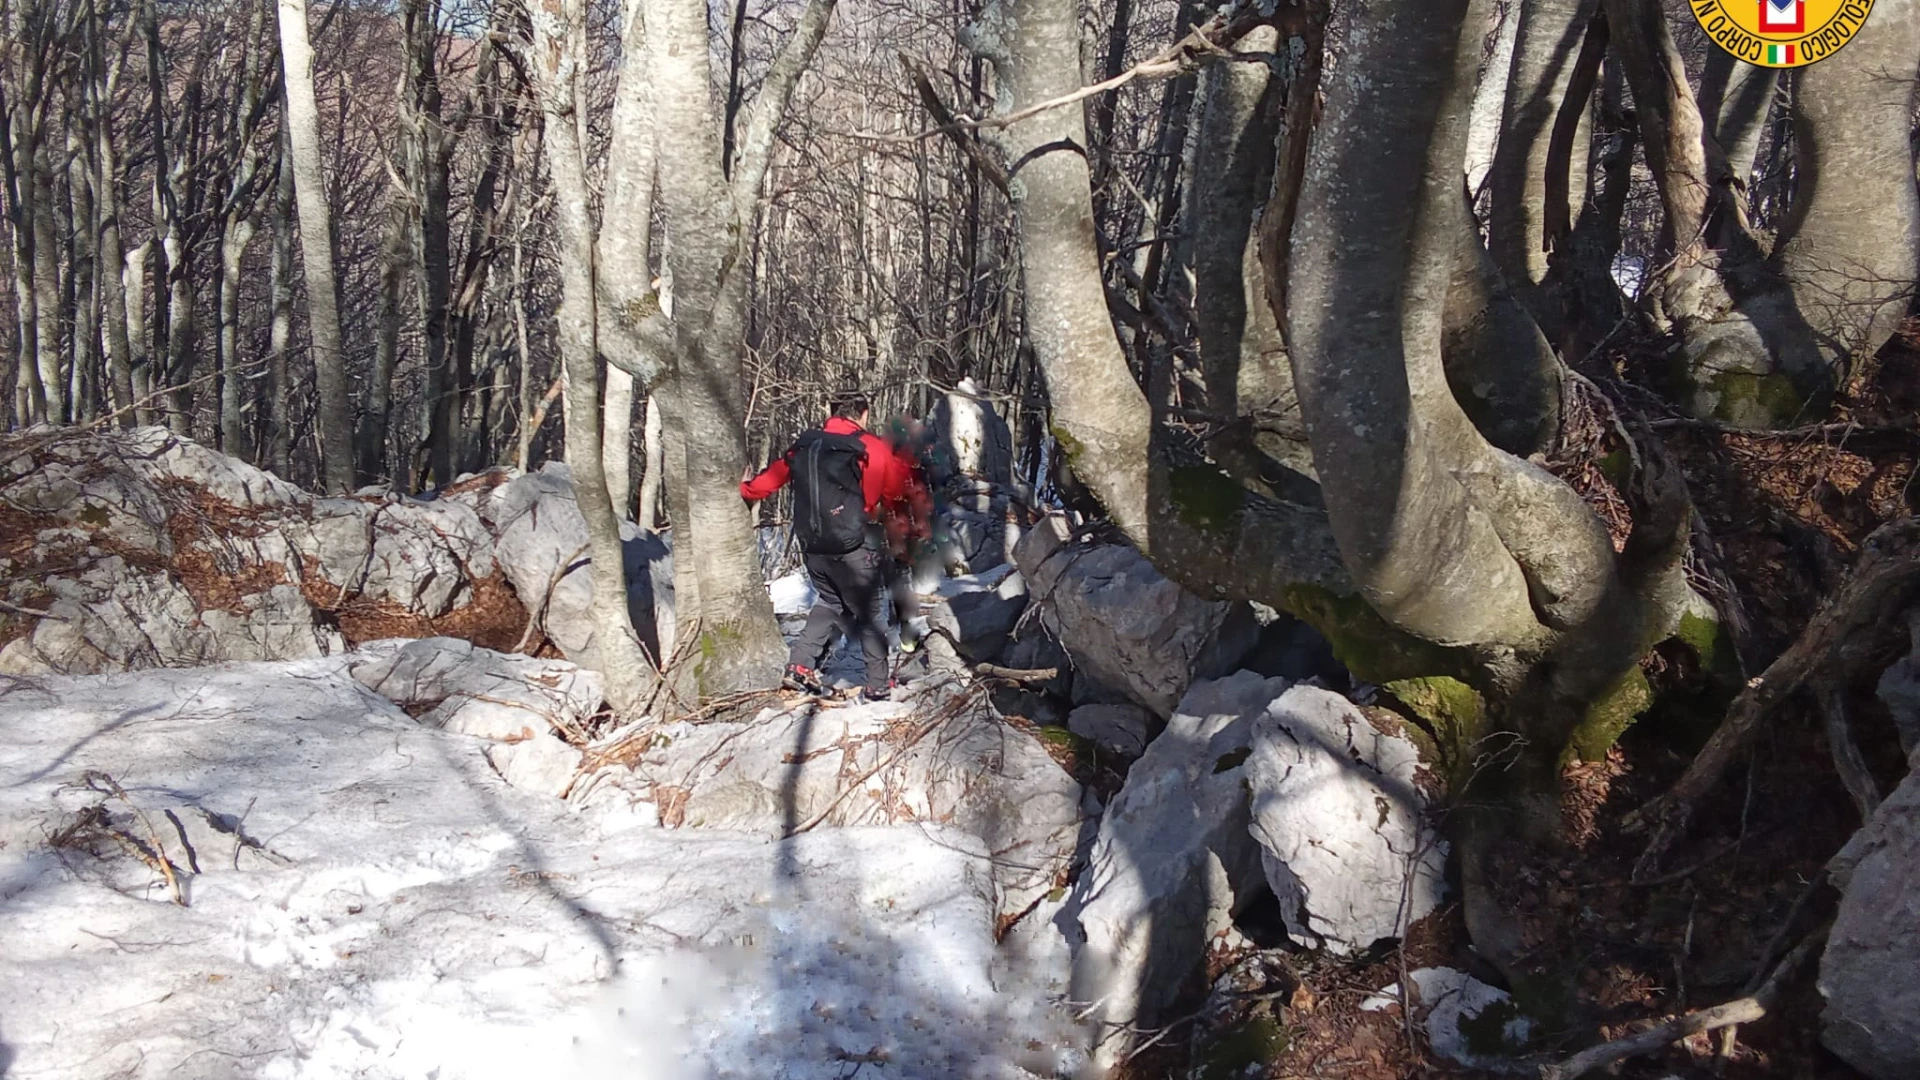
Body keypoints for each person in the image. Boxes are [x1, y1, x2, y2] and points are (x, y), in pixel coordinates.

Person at [741, 391, 908, 700]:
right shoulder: (871, 448)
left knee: (831, 600)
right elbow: (894, 494)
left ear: (830, 412)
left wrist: (746, 487)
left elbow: (766, 484)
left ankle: (800, 665)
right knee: (871, 612)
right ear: (863, 414)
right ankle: (878, 684)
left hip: (814, 546)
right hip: (856, 544)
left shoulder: (805, 446)